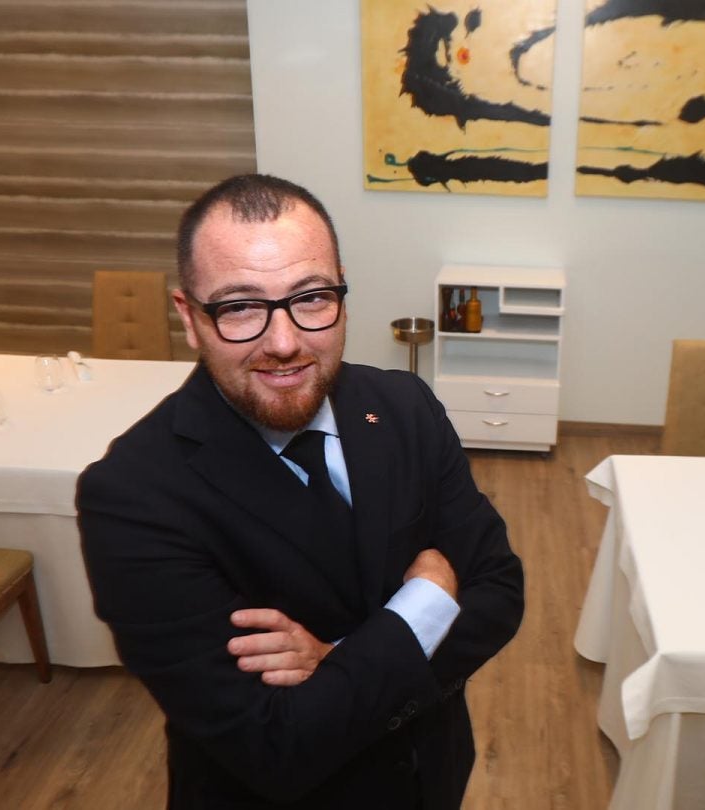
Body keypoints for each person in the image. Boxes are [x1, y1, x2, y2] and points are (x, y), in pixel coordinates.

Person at [76, 174, 524, 809]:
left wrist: (335, 660)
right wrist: (427, 598)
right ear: (189, 317)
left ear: (342, 291)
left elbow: (501, 590)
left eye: (310, 297)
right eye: (239, 307)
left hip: (433, 772)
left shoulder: (403, 406)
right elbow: (273, 746)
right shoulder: (132, 497)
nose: (283, 342)